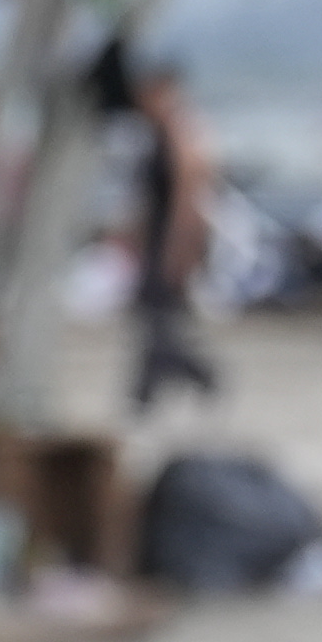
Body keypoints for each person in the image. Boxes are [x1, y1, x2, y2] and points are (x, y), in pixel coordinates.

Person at [107, 32, 226, 412]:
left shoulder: (182, 130)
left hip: (173, 239)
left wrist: (182, 247)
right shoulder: (158, 132)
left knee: (161, 320)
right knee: (155, 320)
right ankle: (152, 391)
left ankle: (198, 379)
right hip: (158, 239)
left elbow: (190, 198)